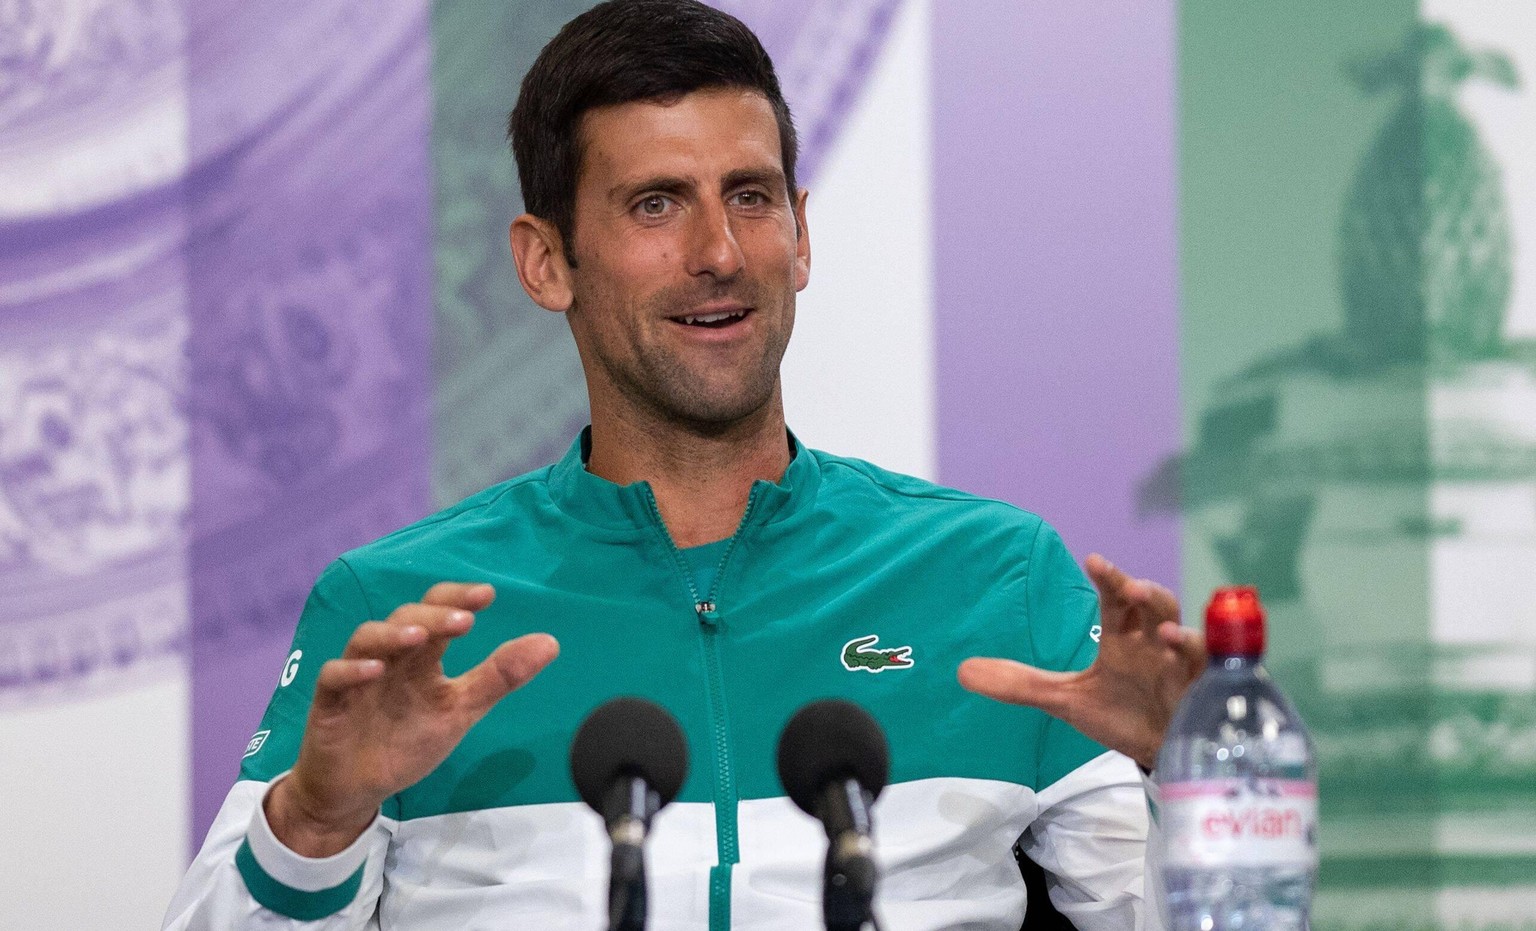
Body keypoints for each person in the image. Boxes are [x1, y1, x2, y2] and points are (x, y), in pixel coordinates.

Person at [163, 2, 1203, 929]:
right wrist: (315, 817)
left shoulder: (996, 577)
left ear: (801, 235)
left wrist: (1190, 777)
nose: (719, 251)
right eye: (656, 204)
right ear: (545, 260)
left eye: (751, 196)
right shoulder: (400, 613)